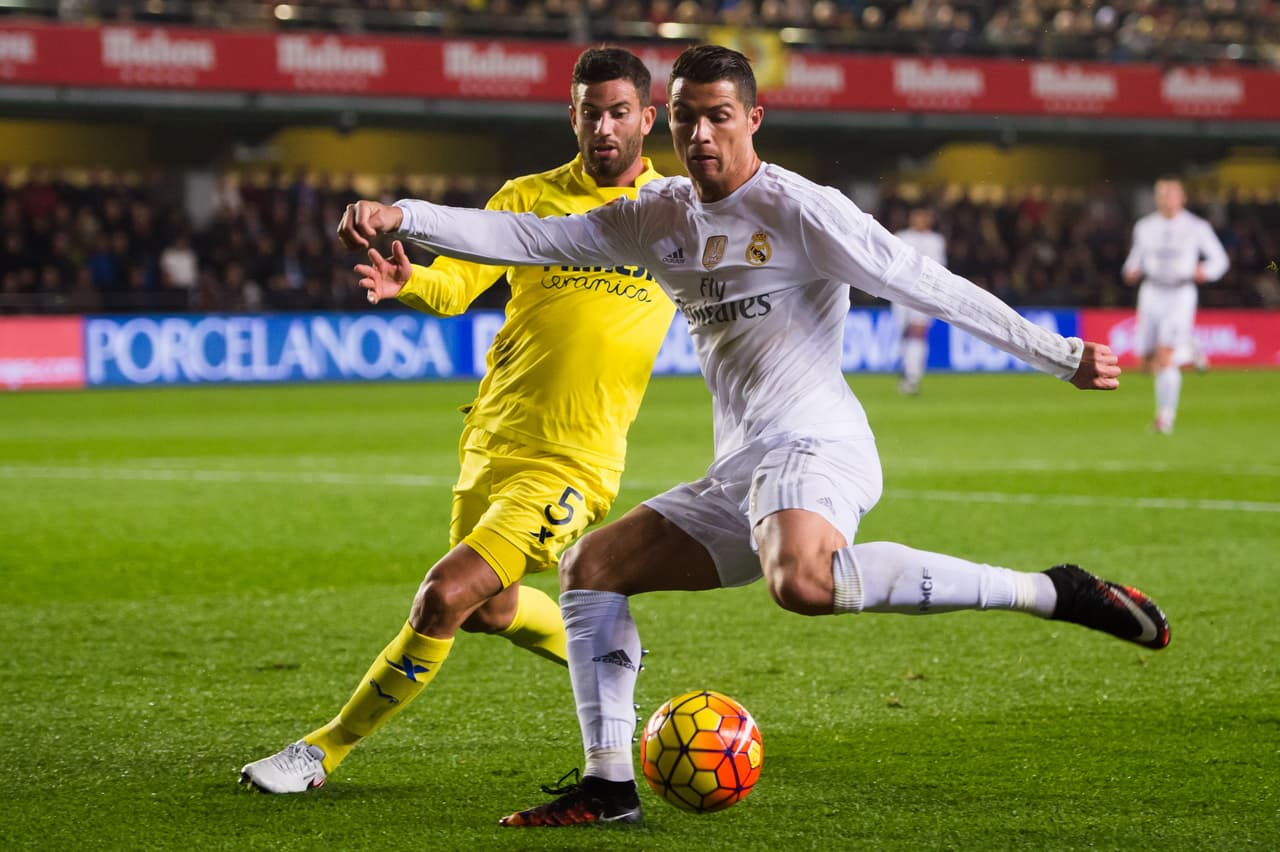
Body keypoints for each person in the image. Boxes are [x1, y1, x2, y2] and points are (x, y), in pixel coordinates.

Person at [337, 45, 1171, 828]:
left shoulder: (803, 211)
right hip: (741, 467)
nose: (699, 134)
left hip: (817, 443)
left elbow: (927, 284)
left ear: (753, 119)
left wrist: (1058, 354)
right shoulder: (655, 215)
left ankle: (1049, 590)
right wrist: (400, 214)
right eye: (684, 118)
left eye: (719, 116)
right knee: (591, 569)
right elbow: (522, 236)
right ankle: (608, 783)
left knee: (800, 580)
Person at [240, 47, 673, 794]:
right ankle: (606, 662)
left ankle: (320, 751)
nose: (604, 126)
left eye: (619, 111)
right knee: (490, 609)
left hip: (575, 461)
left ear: (647, 117)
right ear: (571, 114)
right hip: (492, 440)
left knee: (444, 595)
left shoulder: (676, 213)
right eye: (591, 111)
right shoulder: (527, 197)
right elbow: (456, 288)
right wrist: (413, 281)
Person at [1122, 175, 1228, 434]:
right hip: (1151, 293)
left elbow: (1220, 260)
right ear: (1156, 198)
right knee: (1146, 364)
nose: (1167, 199)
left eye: (1172, 194)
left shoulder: (1196, 226)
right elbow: (1134, 260)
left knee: (1165, 357)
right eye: (1162, 194)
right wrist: (1130, 270)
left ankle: (1165, 419)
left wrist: (1206, 271)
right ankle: (1190, 350)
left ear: (1182, 198)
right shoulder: (1144, 227)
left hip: (1180, 294)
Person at [891, 206, 946, 394]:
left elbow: (938, 267)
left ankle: (912, 376)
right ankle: (906, 371)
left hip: (923, 291)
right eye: (917, 217)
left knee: (918, 332)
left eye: (924, 217)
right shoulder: (901, 236)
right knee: (904, 333)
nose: (920, 221)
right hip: (900, 291)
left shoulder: (936, 240)